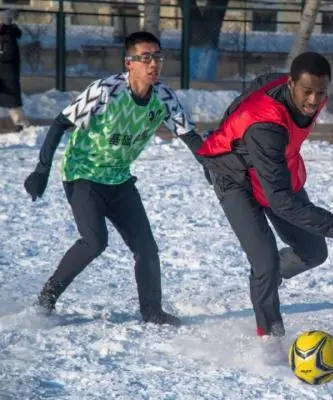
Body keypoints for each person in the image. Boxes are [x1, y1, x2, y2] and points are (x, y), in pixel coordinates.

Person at [23, 31, 206, 326]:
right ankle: (46, 299)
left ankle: (152, 312)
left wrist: (211, 166)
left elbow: (191, 136)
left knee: (146, 248)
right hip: (83, 174)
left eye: (158, 57)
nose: (153, 64)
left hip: (119, 179)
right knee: (95, 242)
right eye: (145, 57)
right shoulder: (106, 91)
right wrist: (41, 170)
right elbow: (59, 123)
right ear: (129, 63)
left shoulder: (163, 97)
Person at [195, 52, 333, 338]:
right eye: (307, 92)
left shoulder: (295, 88)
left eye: (320, 92)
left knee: (313, 252)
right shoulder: (266, 127)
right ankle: (269, 337)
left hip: (276, 168)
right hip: (233, 178)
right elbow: (281, 201)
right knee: (265, 262)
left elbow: (260, 82)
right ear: (292, 84)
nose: (314, 101)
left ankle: (265, 278)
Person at [0, 10, 29, 131]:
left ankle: (21, 124)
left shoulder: (8, 36)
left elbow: (9, 55)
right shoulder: (4, 36)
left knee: (12, 102)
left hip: (8, 75)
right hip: (3, 74)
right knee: (10, 100)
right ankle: (20, 123)